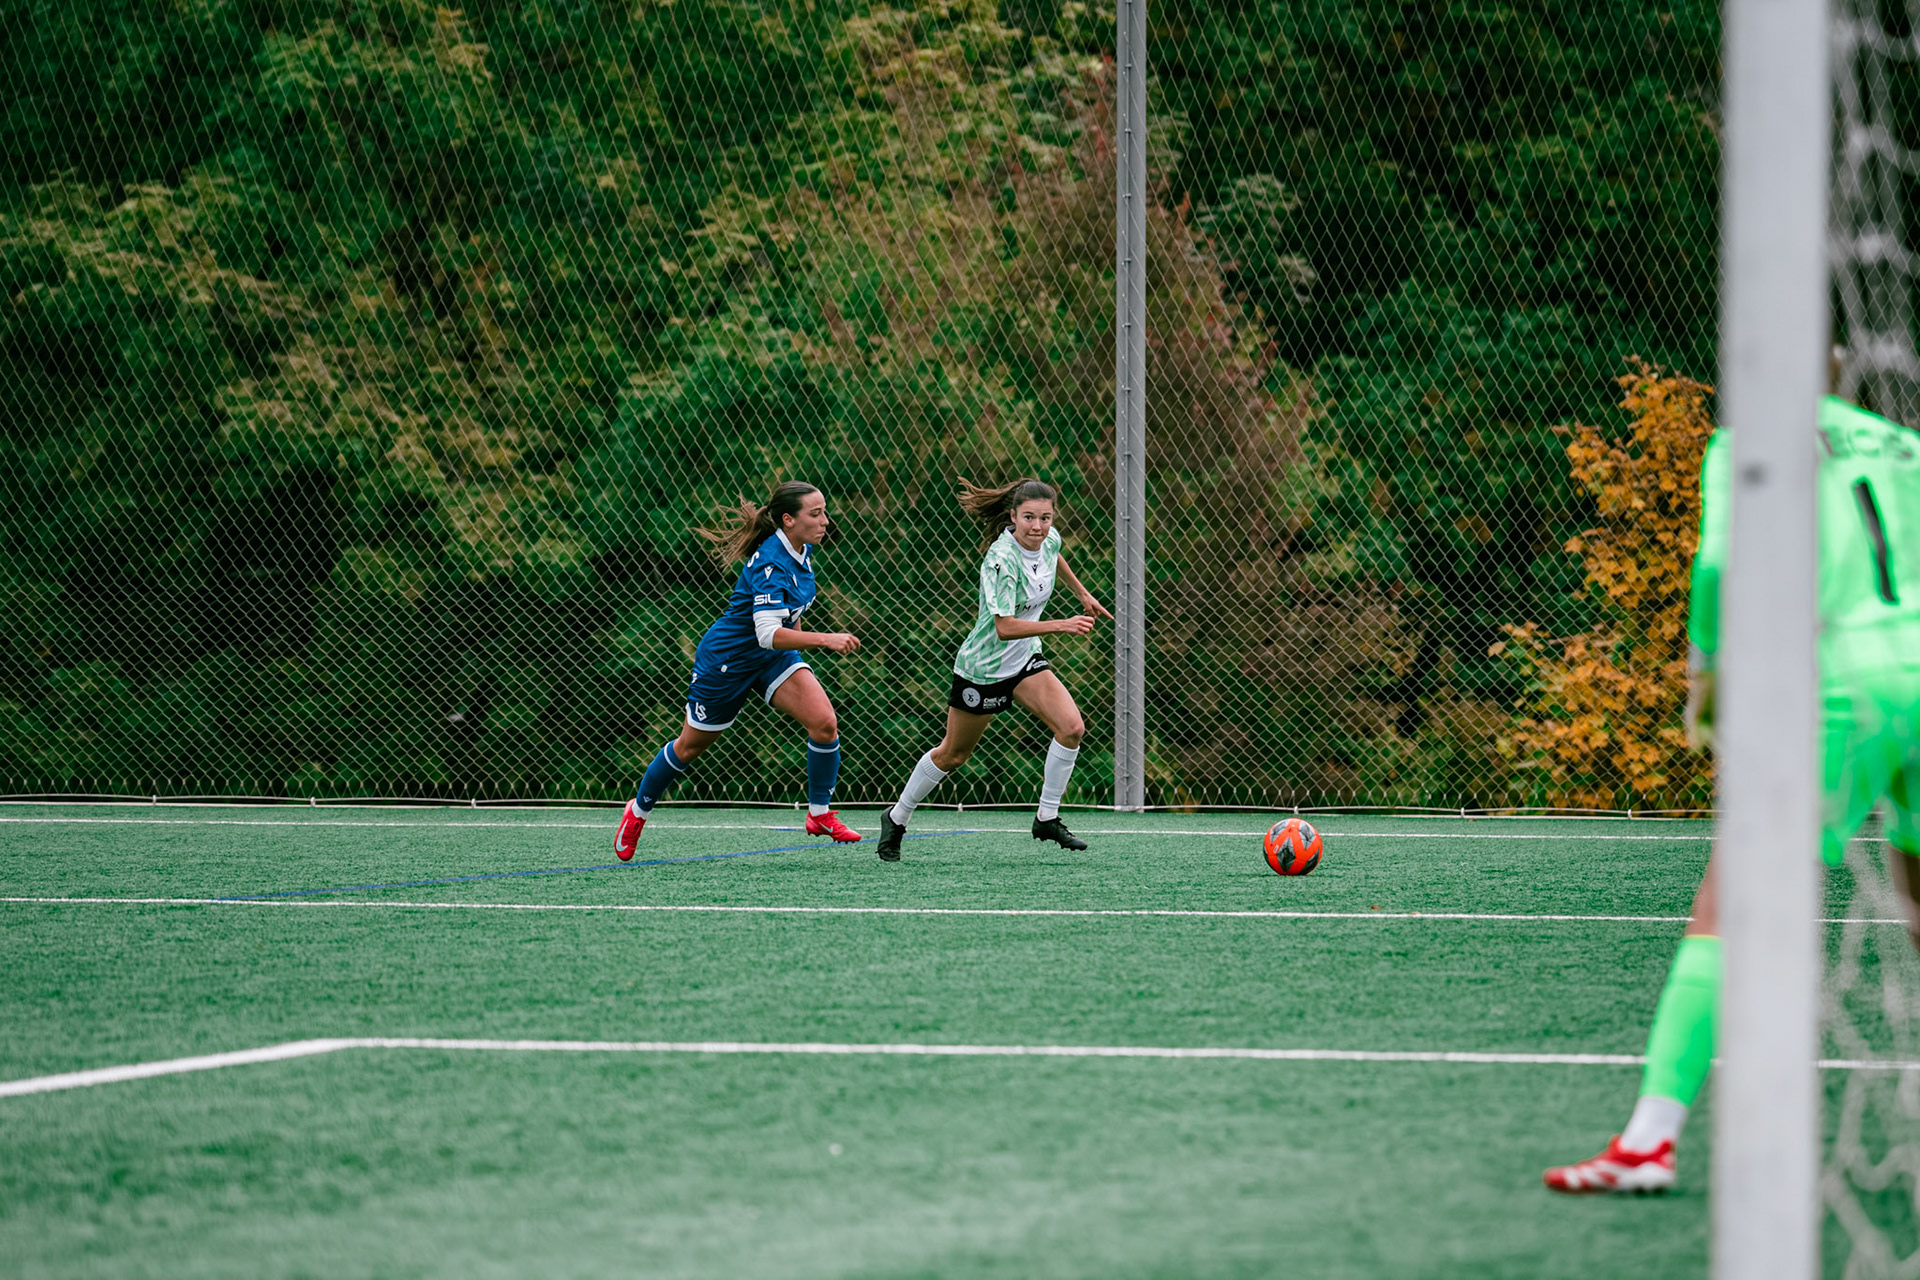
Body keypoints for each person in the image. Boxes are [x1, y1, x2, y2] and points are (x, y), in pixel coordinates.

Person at [1545, 393, 1920, 1194]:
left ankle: (1648, 1142)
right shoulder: (1898, 443)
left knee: (1730, 903)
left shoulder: (1749, 439)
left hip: (1843, 682)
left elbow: (1718, 567)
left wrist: (1706, 680)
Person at [614, 482, 863, 857]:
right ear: (788, 520)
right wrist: (825, 639)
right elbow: (767, 633)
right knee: (689, 747)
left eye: (824, 511)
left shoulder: (803, 549)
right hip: (727, 662)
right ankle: (638, 811)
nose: (825, 520)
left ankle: (819, 814)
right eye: (816, 514)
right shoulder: (770, 563)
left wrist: (798, 660)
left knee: (824, 723)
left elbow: (789, 616)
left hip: (772, 658)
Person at [874, 478, 1112, 863]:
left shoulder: (1049, 539)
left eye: (1045, 518)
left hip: (1025, 659)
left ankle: (1047, 818)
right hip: (984, 668)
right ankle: (897, 816)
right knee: (953, 755)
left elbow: (1053, 555)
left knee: (1071, 728)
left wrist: (1082, 592)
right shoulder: (1001, 560)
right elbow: (1004, 627)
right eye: (1029, 518)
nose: (1038, 526)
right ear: (1013, 516)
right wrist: (1061, 625)